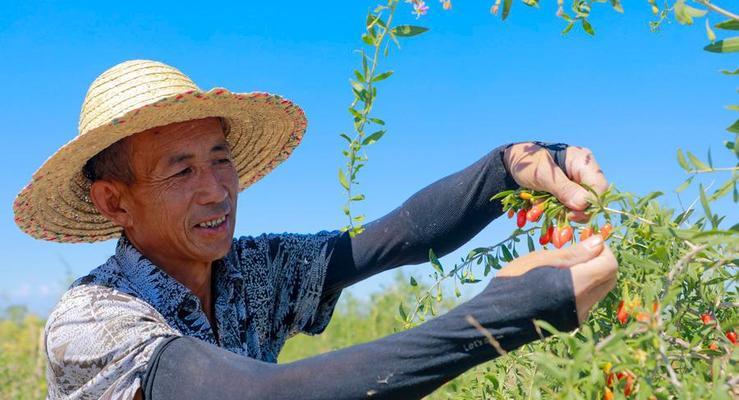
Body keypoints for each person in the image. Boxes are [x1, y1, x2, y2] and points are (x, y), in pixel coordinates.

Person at [14, 60, 617, 400]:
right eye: (181, 170)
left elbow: (392, 238)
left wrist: (513, 166)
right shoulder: (92, 321)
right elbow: (267, 399)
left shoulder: (250, 272)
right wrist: (502, 316)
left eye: (220, 158)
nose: (216, 189)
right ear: (114, 202)